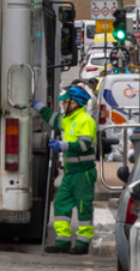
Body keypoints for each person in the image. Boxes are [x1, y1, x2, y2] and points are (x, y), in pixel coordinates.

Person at [33, 86, 98, 255]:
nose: (63, 105)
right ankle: (62, 242)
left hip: (83, 173)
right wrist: (38, 106)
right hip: (70, 173)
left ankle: (82, 244)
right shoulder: (69, 118)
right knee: (61, 203)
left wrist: (64, 145)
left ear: (75, 103)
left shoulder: (85, 120)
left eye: (66, 102)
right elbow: (53, 118)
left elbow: (84, 145)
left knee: (83, 207)